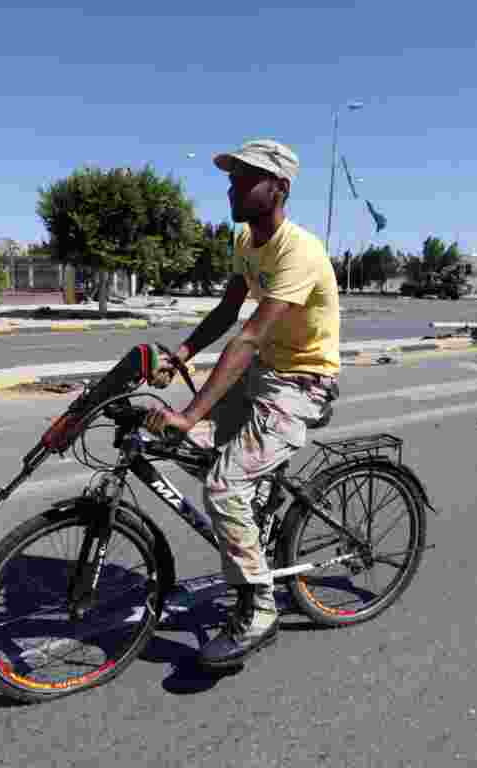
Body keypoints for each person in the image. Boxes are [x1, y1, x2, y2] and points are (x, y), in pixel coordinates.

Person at [143, 139, 341, 668]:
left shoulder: (298, 250)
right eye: (232, 177)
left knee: (223, 484)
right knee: (196, 446)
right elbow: (229, 309)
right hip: (263, 373)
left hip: (301, 382)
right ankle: (252, 520)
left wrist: (190, 411)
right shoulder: (246, 242)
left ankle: (259, 611)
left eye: (244, 178)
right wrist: (182, 351)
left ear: (278, 188)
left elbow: (249, 337)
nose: (232, 187)